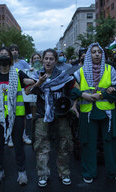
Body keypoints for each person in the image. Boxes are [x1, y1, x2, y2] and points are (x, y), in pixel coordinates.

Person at [72, 43, 116, 184]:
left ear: (102, 55)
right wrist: (83, 95)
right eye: (93, 52)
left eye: (99, 52)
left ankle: (113, 172)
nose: (96, 54)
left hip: (107, 112)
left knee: (110, 142)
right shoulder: (80, 72)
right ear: (89, 55)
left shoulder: (110, 69)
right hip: (87, 112)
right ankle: (88, 172)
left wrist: (102, 95)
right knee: (88, 143)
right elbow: (71, 89)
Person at [25, 48, 77, 187]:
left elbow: (75, 90)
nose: (48, 61)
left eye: (51, 59)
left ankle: (64, 173)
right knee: (41, 146)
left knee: (65, 144)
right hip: (43, 115)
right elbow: (28, 91)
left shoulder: (63, 75)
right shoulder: (36, 74)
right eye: (46, 58)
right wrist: (39, 83)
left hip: (62, 115)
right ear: (42, 60)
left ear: (55, 60)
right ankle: (43, 175)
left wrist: (74, 105)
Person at [0, 47, 34, 185]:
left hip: (16, 115)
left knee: (18, 144)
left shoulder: (17, 73)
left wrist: (31, 81)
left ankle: (22, 172)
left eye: (6, 55)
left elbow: (28, 81)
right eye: (1, 54)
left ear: (10, 58)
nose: (3, 56)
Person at [9, 44, 32, 146]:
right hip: (9, 94)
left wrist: (31, 70)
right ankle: (10, 137)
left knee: (22, 115)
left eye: (16, 50)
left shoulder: (23, 63)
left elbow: (31, 73)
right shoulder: (7, 63)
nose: (14, 52)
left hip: (22, 94)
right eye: (12, 50)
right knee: (9, 116)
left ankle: (24, 135)